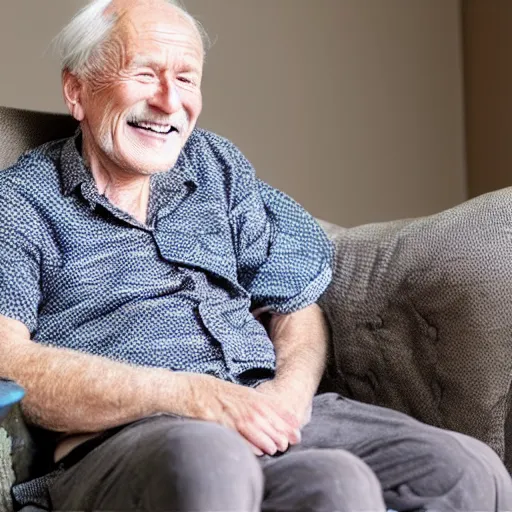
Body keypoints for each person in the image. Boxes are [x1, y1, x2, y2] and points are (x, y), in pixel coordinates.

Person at [0, 0, 510, 510]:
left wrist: (288, 395)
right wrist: (191, 396)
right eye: (145, 74)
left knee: (467, 472)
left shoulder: (218, 166)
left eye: (185, 78)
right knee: (235, 468)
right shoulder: (21, 202)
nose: (168, 101)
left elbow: (297, 298)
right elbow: (8, 360)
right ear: (77, 90)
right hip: (131, 433)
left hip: (264, 411)